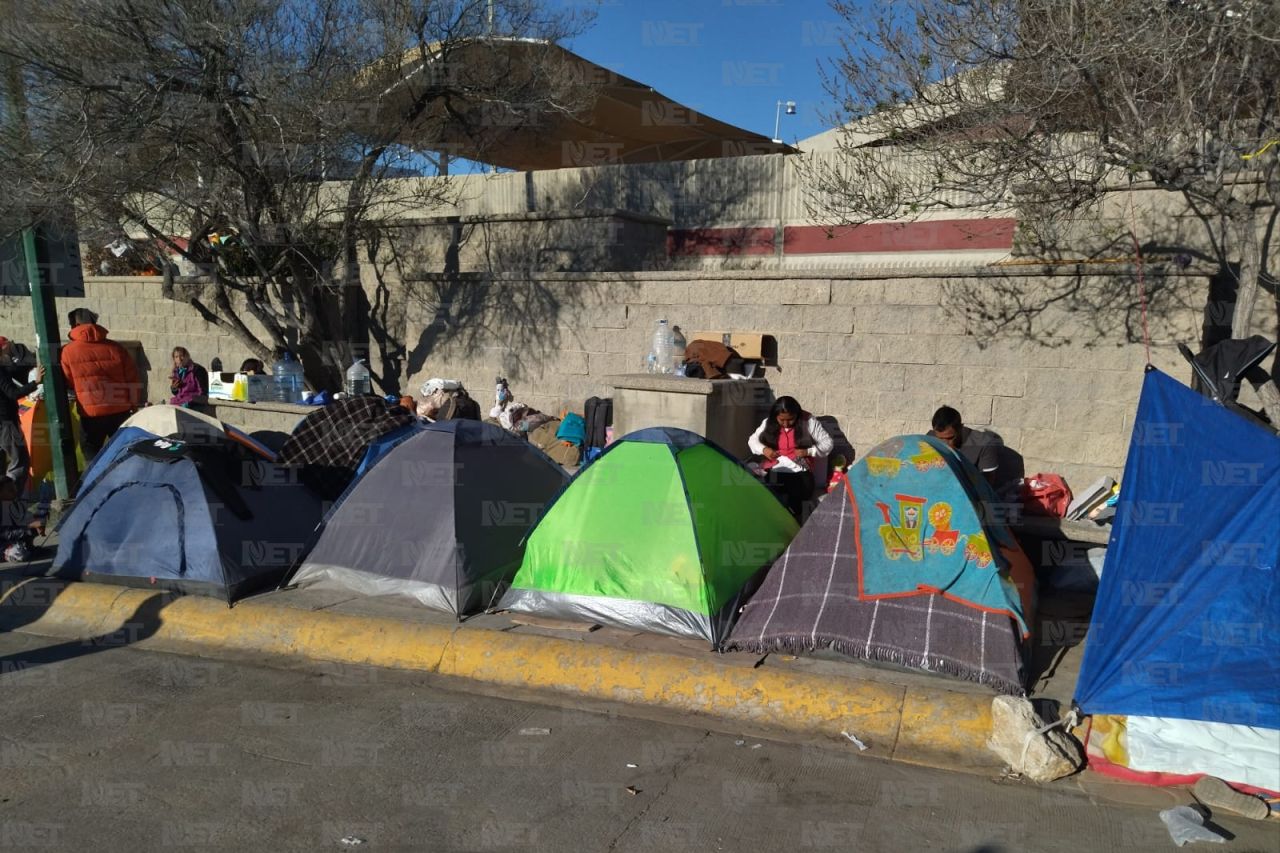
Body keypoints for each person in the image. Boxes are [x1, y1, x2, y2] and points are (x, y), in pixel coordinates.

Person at [59, 308, 142, 457]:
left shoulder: (68, 351)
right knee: (122, 453)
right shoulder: (116, 348)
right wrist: (133, 404)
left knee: (91, 453)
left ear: (75, 324)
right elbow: (132, 378)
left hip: (91, 413)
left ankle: (94, 480)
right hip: (119, 409)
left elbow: (69, 381)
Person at [747, 396, 833, 520]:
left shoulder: (808, 421)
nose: (786, 424)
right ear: (775, 416)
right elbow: (752, 440)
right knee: (770, 498)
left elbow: (827, 443)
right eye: (782, 420)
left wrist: (809, 451)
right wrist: (764, 450)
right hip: (776, 468)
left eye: (790, 419)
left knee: (796, 501)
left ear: (797, 414)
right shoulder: (768, 422)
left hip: (800, 471)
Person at [928, 405, 1012, 492]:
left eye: (950, 438)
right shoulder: (930, 438)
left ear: (961, 428)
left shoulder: (985, 444)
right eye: (940, 439)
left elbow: (986, 487)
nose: (945, 444)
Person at [0, 360, 44, 495]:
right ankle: (12, 498)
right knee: (20, 461)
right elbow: (13, 393)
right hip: (5, 422)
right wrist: (35, 383)